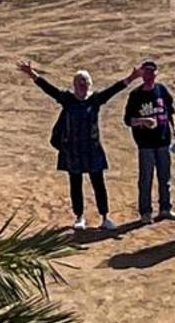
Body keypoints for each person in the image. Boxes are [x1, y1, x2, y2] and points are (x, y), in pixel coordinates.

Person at [19, 59, 138, 231]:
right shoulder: (67, 99)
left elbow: (114, 90)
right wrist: (32, 74)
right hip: (73, 151)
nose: (82, 84)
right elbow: (49, 89)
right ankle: (79, 217)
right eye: (78, 81)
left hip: (92, 149)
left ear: (89, 84)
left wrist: (132, 77)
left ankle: (105, 217)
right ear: (74, 84)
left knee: (98, 183)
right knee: (76, 184)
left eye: (85, 81)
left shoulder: (95, 100)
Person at [123, 59, 175, 224]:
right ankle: (145, 212)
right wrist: (143, 121)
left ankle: (165, 208)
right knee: (146, 179)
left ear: (156, 74)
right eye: (146, 72)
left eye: (152, 72)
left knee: (165, 177)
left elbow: (170, 110)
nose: (149, 75)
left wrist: (174, 126)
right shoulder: (136, 95)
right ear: (142, 74)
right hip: (145, 144)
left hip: (163, 141)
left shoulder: (162, 90)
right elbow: (128, 120)